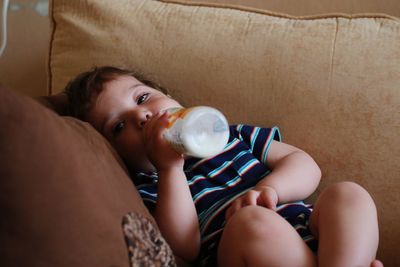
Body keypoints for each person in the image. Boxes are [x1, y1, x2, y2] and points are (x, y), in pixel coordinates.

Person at [63, 66, 383, 267]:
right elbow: (183, 248)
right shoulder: (148, 185)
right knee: (251, 223)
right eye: (119, 127)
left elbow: (306, 166)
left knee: (347, 194)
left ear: (172, 98)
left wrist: (269, 188)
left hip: (318, 244)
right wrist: (170, 169)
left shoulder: (230, 135)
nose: (141, 117)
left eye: (143, 98)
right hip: (247, 250)